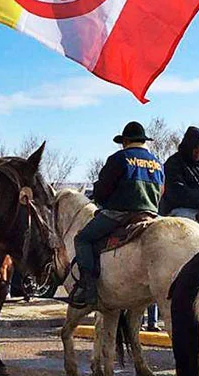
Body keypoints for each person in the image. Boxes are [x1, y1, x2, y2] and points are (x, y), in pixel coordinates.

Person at [69, 121, 164, 308]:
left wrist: (98, 199)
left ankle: (87, 286)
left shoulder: (120, 158)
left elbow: (103, 189)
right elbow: (162, 191)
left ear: (126, 141)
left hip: (120, 213)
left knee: (83, 239)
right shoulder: (157, 163)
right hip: (151, 214)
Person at [159, 127, 199, 219]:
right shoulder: (174, 163)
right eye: (195, 147)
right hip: (174, 211)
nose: (198, 151)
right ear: (188, 146)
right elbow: (177, 194)